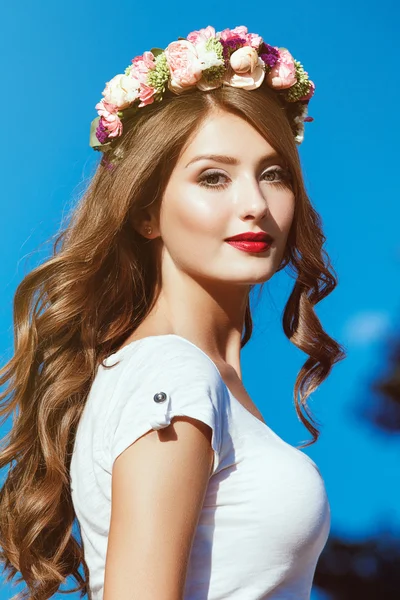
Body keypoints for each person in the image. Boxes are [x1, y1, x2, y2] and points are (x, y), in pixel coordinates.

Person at [0, 24, 346, 600]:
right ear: (146, 214)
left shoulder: (189, 375)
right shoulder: (174, 373)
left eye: (274, 173)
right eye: (214, 177)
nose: (254, 205)